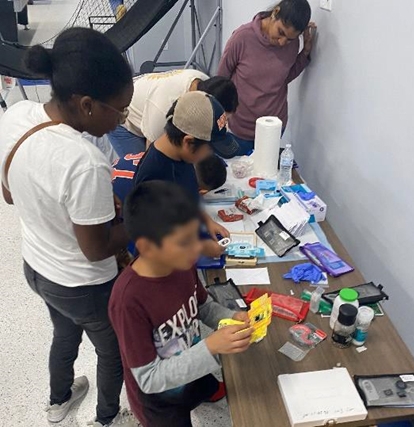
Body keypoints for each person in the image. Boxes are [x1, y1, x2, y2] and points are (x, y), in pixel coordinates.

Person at [0, 28, 138, 427]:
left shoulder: (17, 115)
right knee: (111, 351)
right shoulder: (84, 159)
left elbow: (11, 195)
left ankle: (58, 400)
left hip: (37, 267)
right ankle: (107, 418)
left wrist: (80, 207)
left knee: (64, 334)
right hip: (83, 284)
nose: (123, 119)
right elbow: (97, 249)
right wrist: (141, 221)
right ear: (88, 105)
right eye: (121, 110)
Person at [109, 181, 253, 427]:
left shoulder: (182, 263)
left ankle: (204, 389)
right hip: (160, 401)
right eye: (184, 242)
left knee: (202, 385)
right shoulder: (128, 301)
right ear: (147, 247)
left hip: (189, 368)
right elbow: (149, 378)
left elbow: (202, 306)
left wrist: (228, 316)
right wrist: (210, 347)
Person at [134, 91, 238, 257]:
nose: (208, 156)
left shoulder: (182, 157)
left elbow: (188, 198)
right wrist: (201, 248)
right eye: (209, 149)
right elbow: (156, 243)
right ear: (189, 142)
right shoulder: (153, 178)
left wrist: (207, 221)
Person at [217, 0, 316, 155]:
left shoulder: (293, 44)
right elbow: (221, 80)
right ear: (275, 13)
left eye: (290, 39)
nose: (283, 42)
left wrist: (305, 54)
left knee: (265, 175)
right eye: (281, 32)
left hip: (274, 127)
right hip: (240, 128)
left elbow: (283, 77)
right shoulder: (242, 37)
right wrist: (221, 120)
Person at [108, 69, 239, 157]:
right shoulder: (163, 108)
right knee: (138, 171)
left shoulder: (206, 86)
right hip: (123, 119)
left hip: (147, 103)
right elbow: (153, 155)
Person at [112, 152, 227, 205]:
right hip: (113, 213)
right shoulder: (163, 193)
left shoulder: (164, 155)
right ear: (201, 191)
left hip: (115, 171)